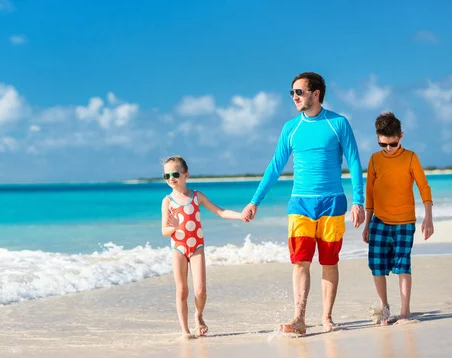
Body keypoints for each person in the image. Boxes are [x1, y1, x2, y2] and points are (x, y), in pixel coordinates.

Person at [242, 72, 365, 335]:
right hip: (300, 204)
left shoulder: (338, 123)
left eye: (299, 92)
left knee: (329, 262)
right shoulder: (291, 128)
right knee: (300, 262)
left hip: (332, 203)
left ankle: (327, 317)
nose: (294, 97)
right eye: (292, 93)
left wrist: (359, 200)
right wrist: (255, 201)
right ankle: (299, 318)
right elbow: (275, 166)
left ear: (315, 93)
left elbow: (354, 161)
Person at [362, 111, 434, 325]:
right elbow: (370, 193)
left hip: (404, 222)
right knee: (377, 266)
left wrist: (428, 217)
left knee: (403, 266)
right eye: (383, 144)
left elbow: (424, 186)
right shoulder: (375, 159)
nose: (388, 149)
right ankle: (384, 308)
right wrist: (367, 223)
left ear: (401, 136)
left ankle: (405, 312)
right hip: (379, 222)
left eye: (392, 144)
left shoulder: (411, 157)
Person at [161, 156, 242, 339]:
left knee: (200, 290)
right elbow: (164, 231)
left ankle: (199, 316)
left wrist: (241, 215)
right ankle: (185, 330)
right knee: (182, 290)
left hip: (197, 247)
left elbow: (220, 212)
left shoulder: (196, 196)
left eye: (175, 174)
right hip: (178, 248)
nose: (171, 178)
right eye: (166, 176)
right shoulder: (167, 201)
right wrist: (173, 227)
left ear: (186, 174)